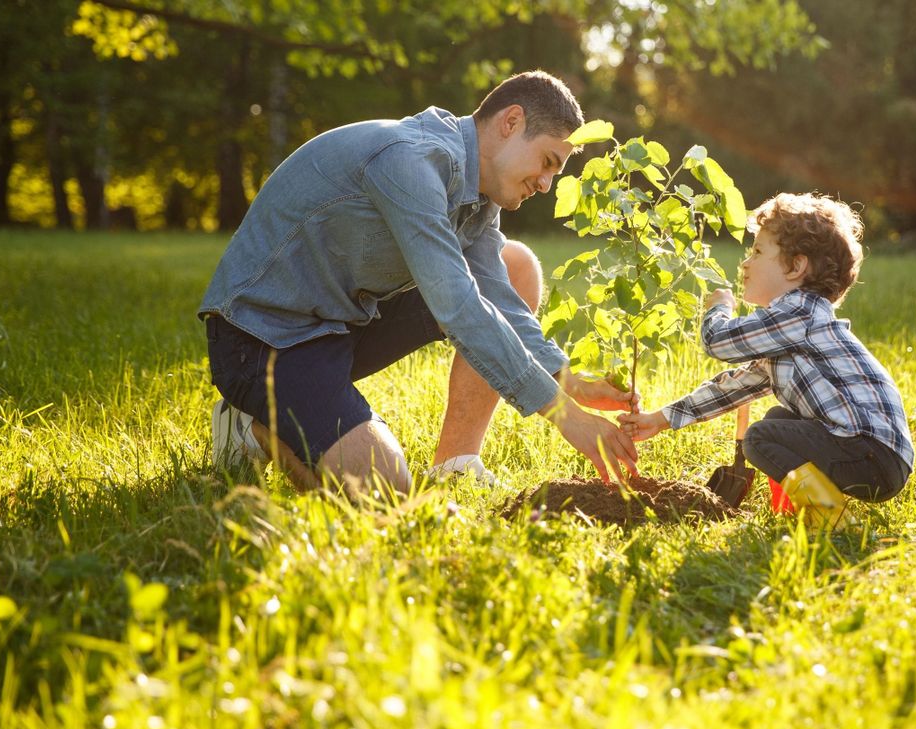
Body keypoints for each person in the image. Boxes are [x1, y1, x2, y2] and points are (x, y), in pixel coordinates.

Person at [199, 70, 638, 492]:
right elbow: (459, 306)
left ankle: (456, 464)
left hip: (339, 325)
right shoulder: (410, 160)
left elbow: (498, 296)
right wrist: (566, 416)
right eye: (547, 162)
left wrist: (567, 379)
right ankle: (250, 427)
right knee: (384, 489)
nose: (545, 184)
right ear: (511, 122)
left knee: (515, 265)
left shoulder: (480, 195)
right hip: (263, 339)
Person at [617, 192, 913, 527]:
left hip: (869, 452)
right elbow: (733, 388)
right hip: (877, 456)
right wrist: (660, 419)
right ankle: (801, 511)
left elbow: (718, 342)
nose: (745, 263)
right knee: (778, 418)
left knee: (761, 437)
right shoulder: (792, 330)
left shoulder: (799, 312)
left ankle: (832, 521)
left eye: (757, 252)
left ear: (796, 266)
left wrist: (719, 309)